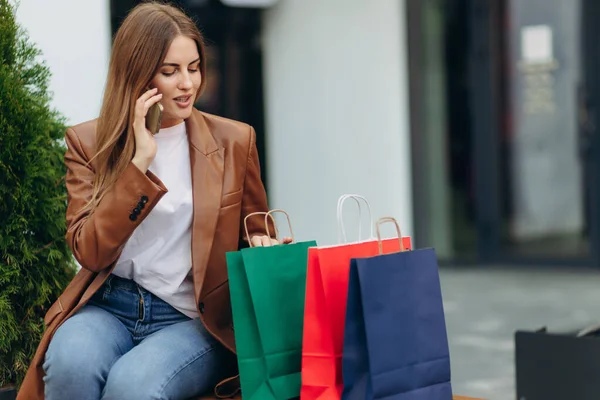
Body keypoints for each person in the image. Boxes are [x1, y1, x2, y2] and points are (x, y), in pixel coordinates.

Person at [17, 2, 290, 399]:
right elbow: (90, 252)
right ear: (139, 74)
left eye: (193, 68)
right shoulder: (89, 144)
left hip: (193, 318)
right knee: (69, 364)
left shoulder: (234, 140)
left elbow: (257, 230)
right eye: (170, 71)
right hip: (110, 306)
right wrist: (139, 164)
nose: (187, 84)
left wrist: (264, 244)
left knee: (134, 385)